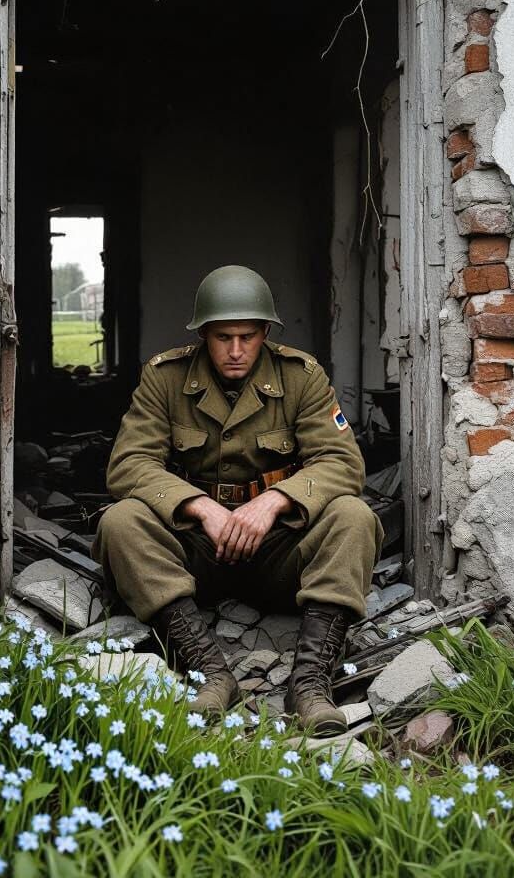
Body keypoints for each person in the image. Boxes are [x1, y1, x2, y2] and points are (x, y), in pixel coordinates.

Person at [94, 265, 383, 735]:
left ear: (265, 333)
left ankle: (309, 685)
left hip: (278, 551)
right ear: (203, 334)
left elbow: (342, 463)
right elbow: (128, 465)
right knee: (121, 521)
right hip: (196, 550)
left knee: (354, 515)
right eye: (222, 337)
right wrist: (199, 506)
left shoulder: (302, 377)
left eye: (247, 337)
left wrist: (273, 502)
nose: (235, 350)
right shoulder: (164, 377)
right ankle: (210, 674)